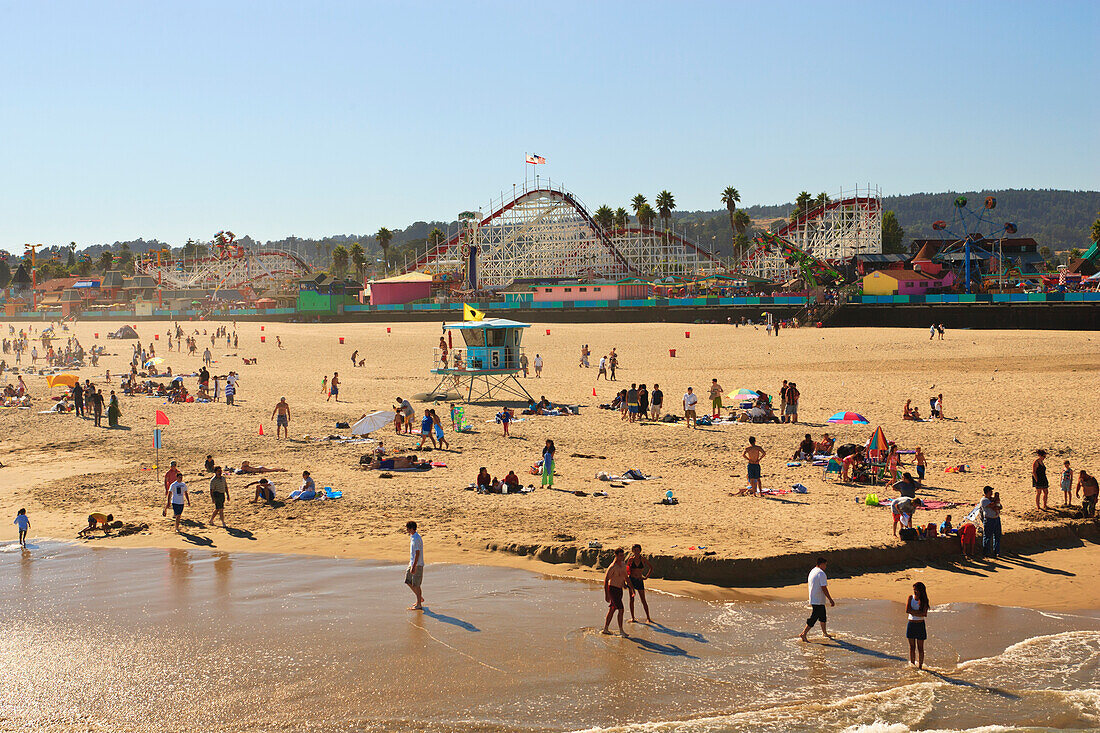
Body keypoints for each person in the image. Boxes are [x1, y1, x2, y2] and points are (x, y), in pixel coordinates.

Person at [798, 557, 835, 641]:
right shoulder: (821, 573)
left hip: (814, 598)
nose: (826, 566)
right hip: (818, 599)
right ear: (821, 564)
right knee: (814, 617)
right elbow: (824, 588)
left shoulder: (813, 571)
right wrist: (830, 599)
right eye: (825, 565)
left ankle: (824, 633)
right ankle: (804, 634)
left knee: (822, 616)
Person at [602, 548, 630, 637]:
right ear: (616, 555)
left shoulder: (623, 564)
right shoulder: (612, 567)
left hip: (619, 590)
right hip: (612, 589)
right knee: (621, 609)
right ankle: (621, 630)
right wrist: (606, 594)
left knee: (612, 609)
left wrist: (626, 585)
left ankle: (605, 629)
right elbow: (606, 580)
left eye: (623, 555)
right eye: (621, 555)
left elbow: (625, 576)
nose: (622, 557)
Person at [626, 544, 654, 624]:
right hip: (632, 580)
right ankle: (633, 618)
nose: (636, 552)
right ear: (633, 551)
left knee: (643, 600)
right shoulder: (631, 559)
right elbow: (627, 569)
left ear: (640, 550)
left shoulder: (643, 559)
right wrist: (627, 580)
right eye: (635, 550)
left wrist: (646, 577)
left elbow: (651, 567)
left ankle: (648, 618)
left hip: (639, 580)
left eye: (638, 550)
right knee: (631, 599)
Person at [906, 582, 930, 669]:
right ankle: (912, 665)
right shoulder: (910, 597)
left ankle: (920, 666)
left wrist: (913, 612)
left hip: (920, 625)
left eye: (916, 590)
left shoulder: (924, 600)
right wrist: (918, 613)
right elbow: (907, 610)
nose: (915, 591)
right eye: (914, 590)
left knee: (920, 648)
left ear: (921, 590)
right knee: (912, 647)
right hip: (911, 624)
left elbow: (924, 614)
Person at [405, 521, 425, 610]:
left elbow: (417, 553)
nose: (407, 530)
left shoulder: (417, 538)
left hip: (417, 564)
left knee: (416, 584)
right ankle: (419, 597)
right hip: (412, 563)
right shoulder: (412, 537)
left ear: (412, 529)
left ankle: (419, 604)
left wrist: (414, 566)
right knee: (408, 581)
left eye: (408, 529)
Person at [979, 486, 1002, 557]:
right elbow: (993, 506)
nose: (991, 493)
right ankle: (986, 552)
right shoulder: (984, 500)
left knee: (997, 536)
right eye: (990, 491)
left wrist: (996, 501)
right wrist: (996, 500)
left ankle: (996, 552)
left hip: (996, 518)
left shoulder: (991, 499)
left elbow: (999, 507)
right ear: (987, 492)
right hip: (989, 519)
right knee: (987, 537)